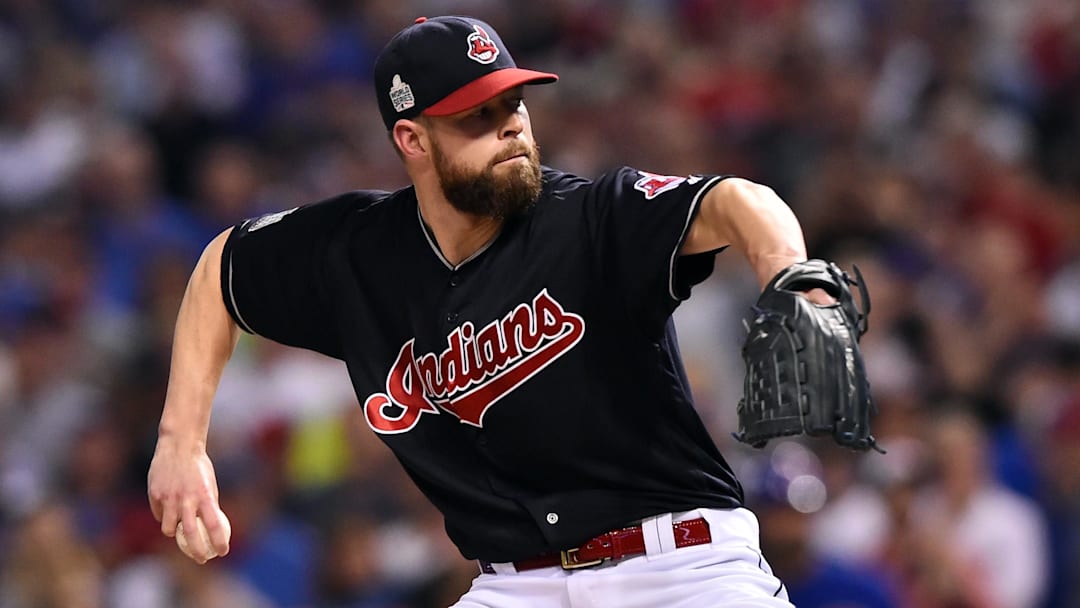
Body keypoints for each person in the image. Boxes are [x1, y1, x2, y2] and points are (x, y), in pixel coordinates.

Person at [148, 15, 838, 607]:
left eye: (514, 105)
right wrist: (182, 441)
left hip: (680, 566)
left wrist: (790, 275)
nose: (509, 127)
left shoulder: (590, 219)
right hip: (516, 584)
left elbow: (737, 200)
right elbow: (221, 269)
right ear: (412, 140)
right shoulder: (354, 254)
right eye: (478, 115)